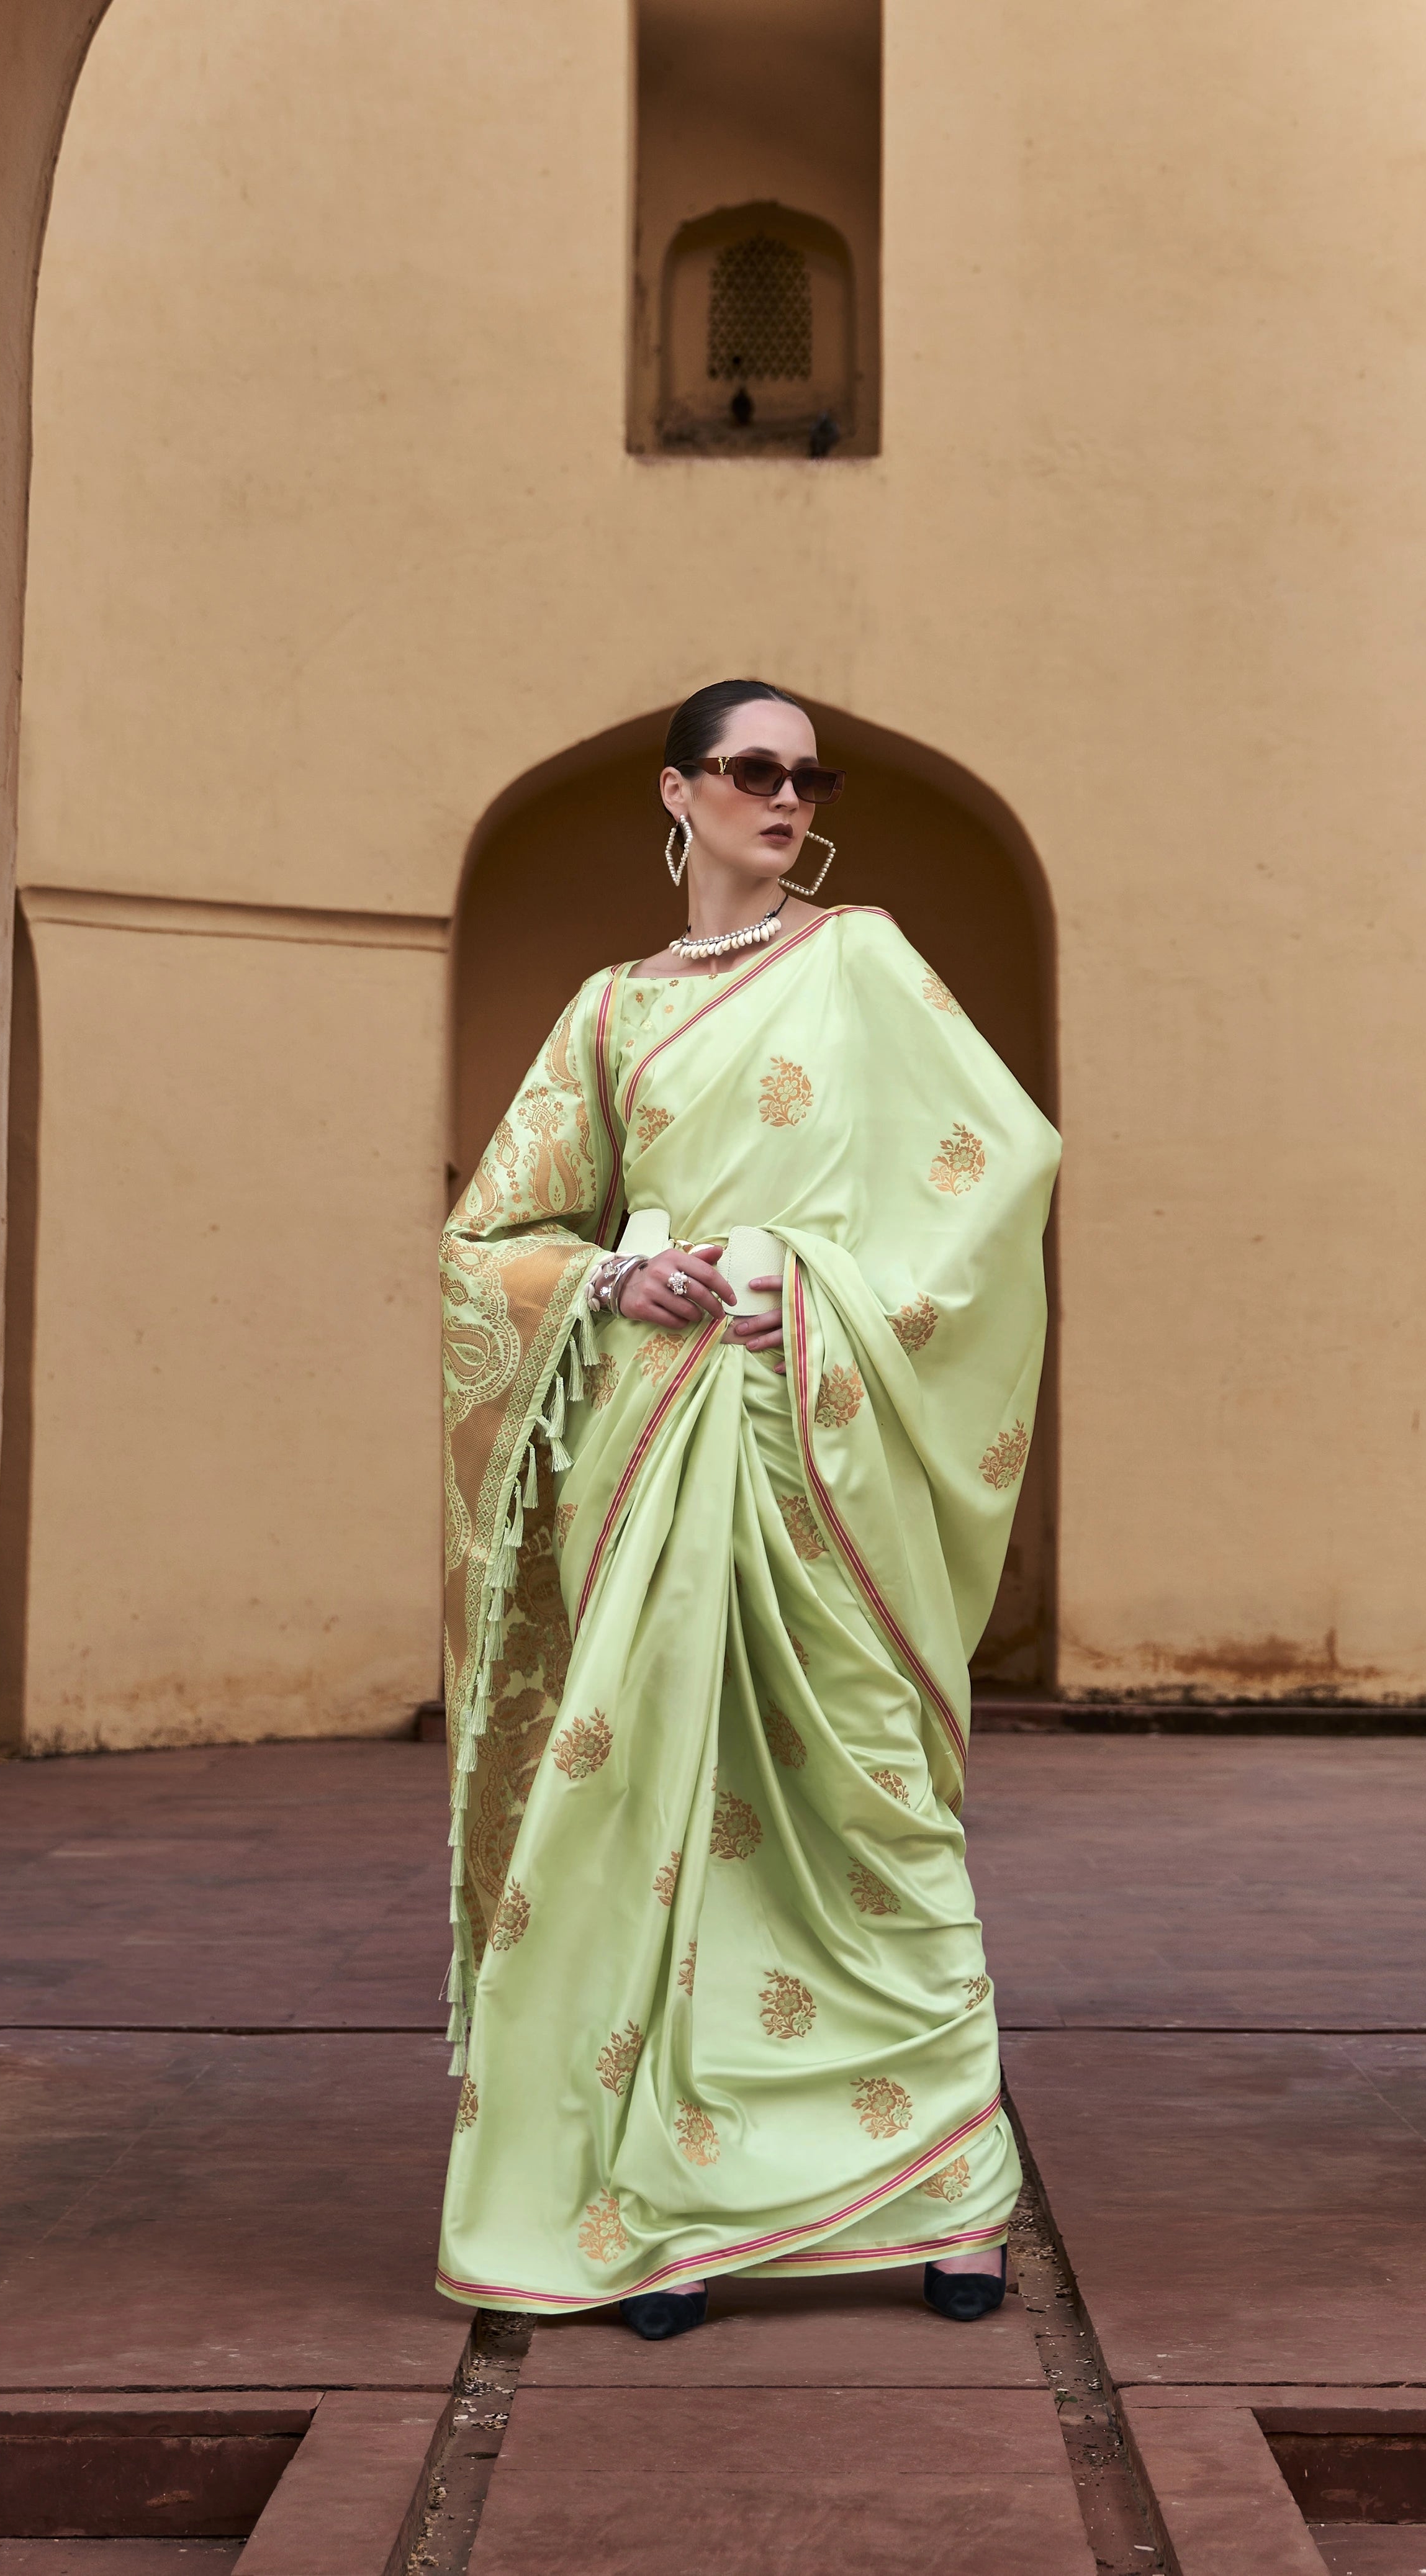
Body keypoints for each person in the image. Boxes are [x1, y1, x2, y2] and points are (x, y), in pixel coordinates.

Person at [434, 678, 1060, 2338]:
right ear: (680, 791)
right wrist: (616, 1271)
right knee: (659, 1812)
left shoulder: (866, 963)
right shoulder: (611, 1011)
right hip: (655, 1451)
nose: (788, 797)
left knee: (875, 1812)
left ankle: (948, 2197)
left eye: (808, 774)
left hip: (822, 1438)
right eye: (754, 771)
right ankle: (682, 2203)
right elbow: (490, 1237)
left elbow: (1000, 1170)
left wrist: (812, 1277)